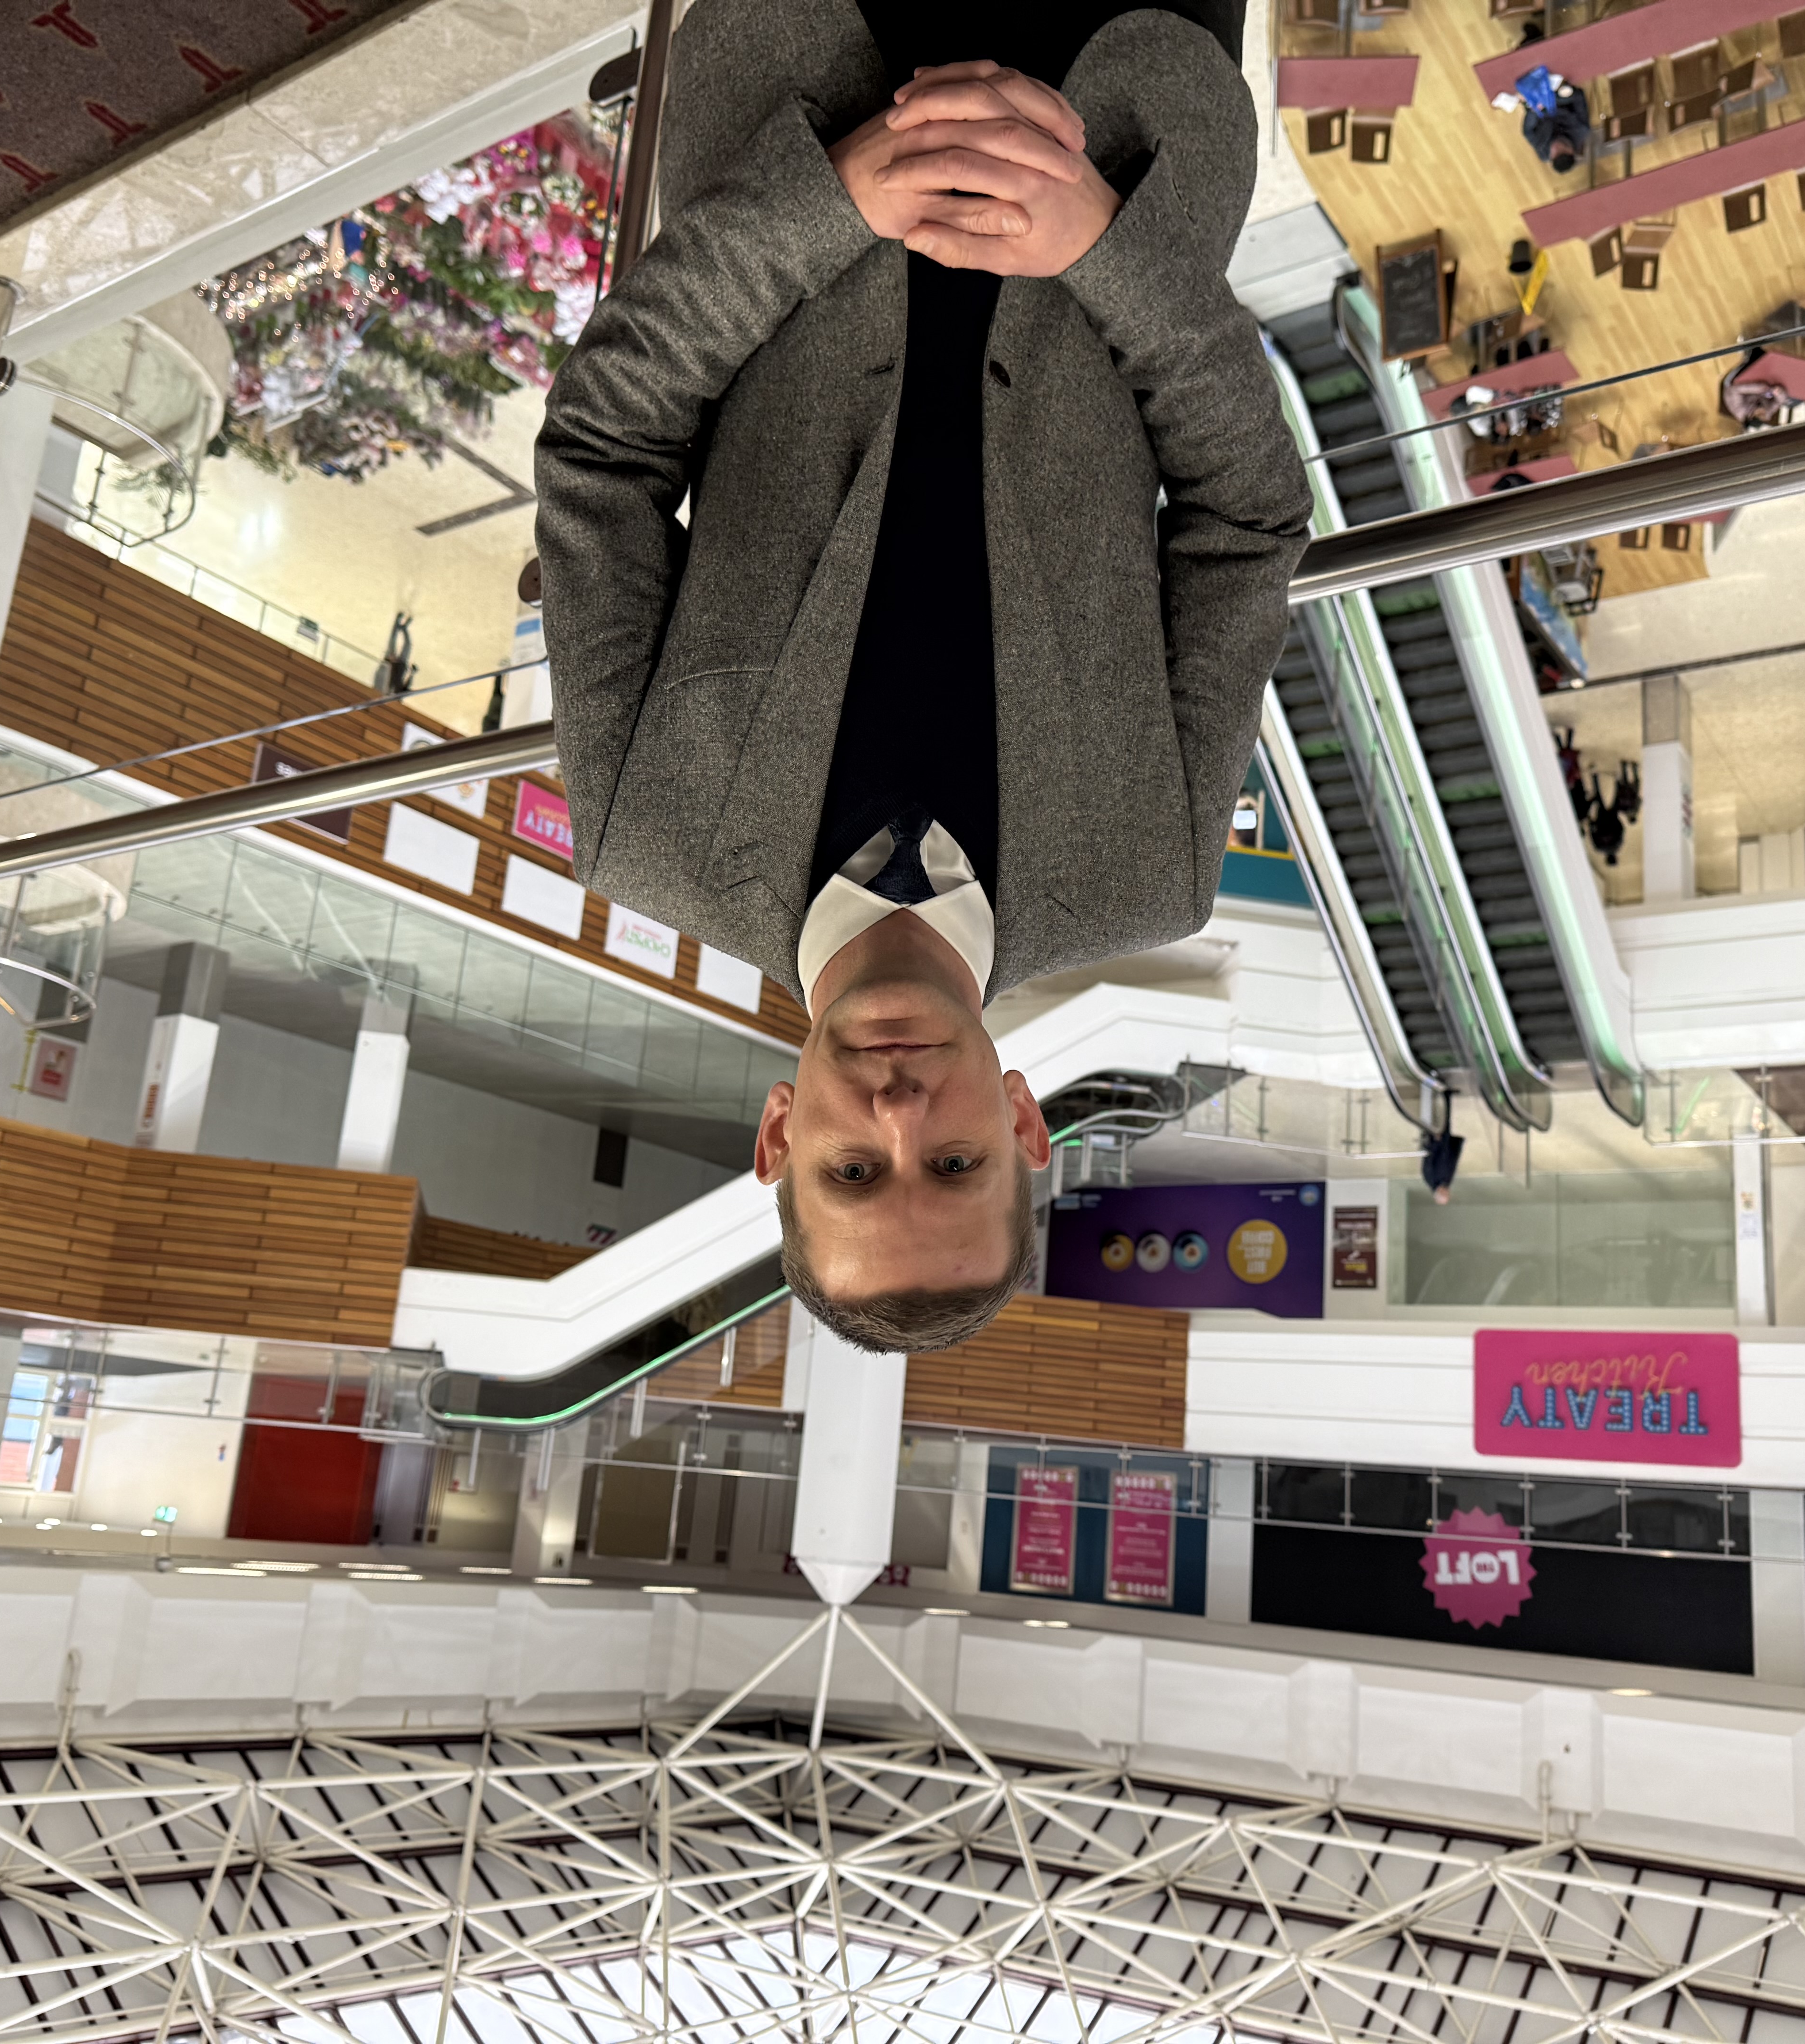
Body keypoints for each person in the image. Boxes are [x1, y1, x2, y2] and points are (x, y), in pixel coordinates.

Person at [534, 0, 1311, 1354]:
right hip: (1116, 105)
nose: (898, 1117)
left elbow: (604, 452)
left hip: (813, 75)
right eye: (953, 1164)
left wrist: (824, 205)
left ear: (779, 1134)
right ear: (1022, 1125)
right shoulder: (1145, 862)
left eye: (852, 1170)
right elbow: (1246, 522)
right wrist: (1106, 251)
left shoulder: (650, 830)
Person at [1495, 64, 1592, 173]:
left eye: (1554, 154)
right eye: (1560, 150)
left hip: (1533, 101)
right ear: (1570, 151)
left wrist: (1535, 110)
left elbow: (1528, 132)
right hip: (1557, 87)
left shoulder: (1544, 154)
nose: (1555, 149)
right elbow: (1579, 96)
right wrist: (1548, 102)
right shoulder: (1582, 129)